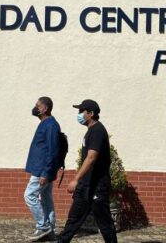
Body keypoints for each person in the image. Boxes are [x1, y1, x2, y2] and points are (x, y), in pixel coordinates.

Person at [58, 99, 117, 243]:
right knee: (73, 220)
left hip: (97, 186)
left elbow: (91, 157)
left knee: (104, 223)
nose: (79, 115)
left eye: (81, 112)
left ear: (90, 113)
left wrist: (75, 179)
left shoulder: (97, 131)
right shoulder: (90, 131)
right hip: (86, 186)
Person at [24, 96, 61, 241]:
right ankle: (50, 230)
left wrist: (45, 172)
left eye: (37, 106)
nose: (35, 108)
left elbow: (52, 151)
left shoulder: (51, 125)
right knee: (45, 199)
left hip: (42, 171)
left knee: (29, 195)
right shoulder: (46, 123)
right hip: (42, 170)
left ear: (45, 108)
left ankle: (43, 226)